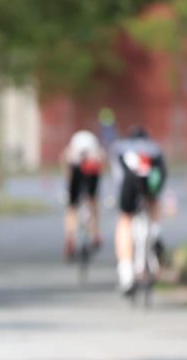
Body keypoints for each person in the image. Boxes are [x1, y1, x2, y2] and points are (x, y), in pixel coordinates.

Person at [111, 126, 167, 295]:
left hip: (129, 179)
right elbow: (162, 173)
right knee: (154, 201)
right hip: (153, 177)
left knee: (125, 220)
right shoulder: (155, 148)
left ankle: (126, 273)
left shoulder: (121, 148)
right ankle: (155, 234)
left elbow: (117, 176)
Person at [61, 129, 104, 259]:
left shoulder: (74, 141)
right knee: (93, 202)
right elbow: (101, 159)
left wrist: (68, 178)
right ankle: (95, 234)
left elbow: (65, 158)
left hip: (75, 168)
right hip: (92, 168)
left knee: (72, 207)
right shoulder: (93, 143)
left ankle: (69, 238)